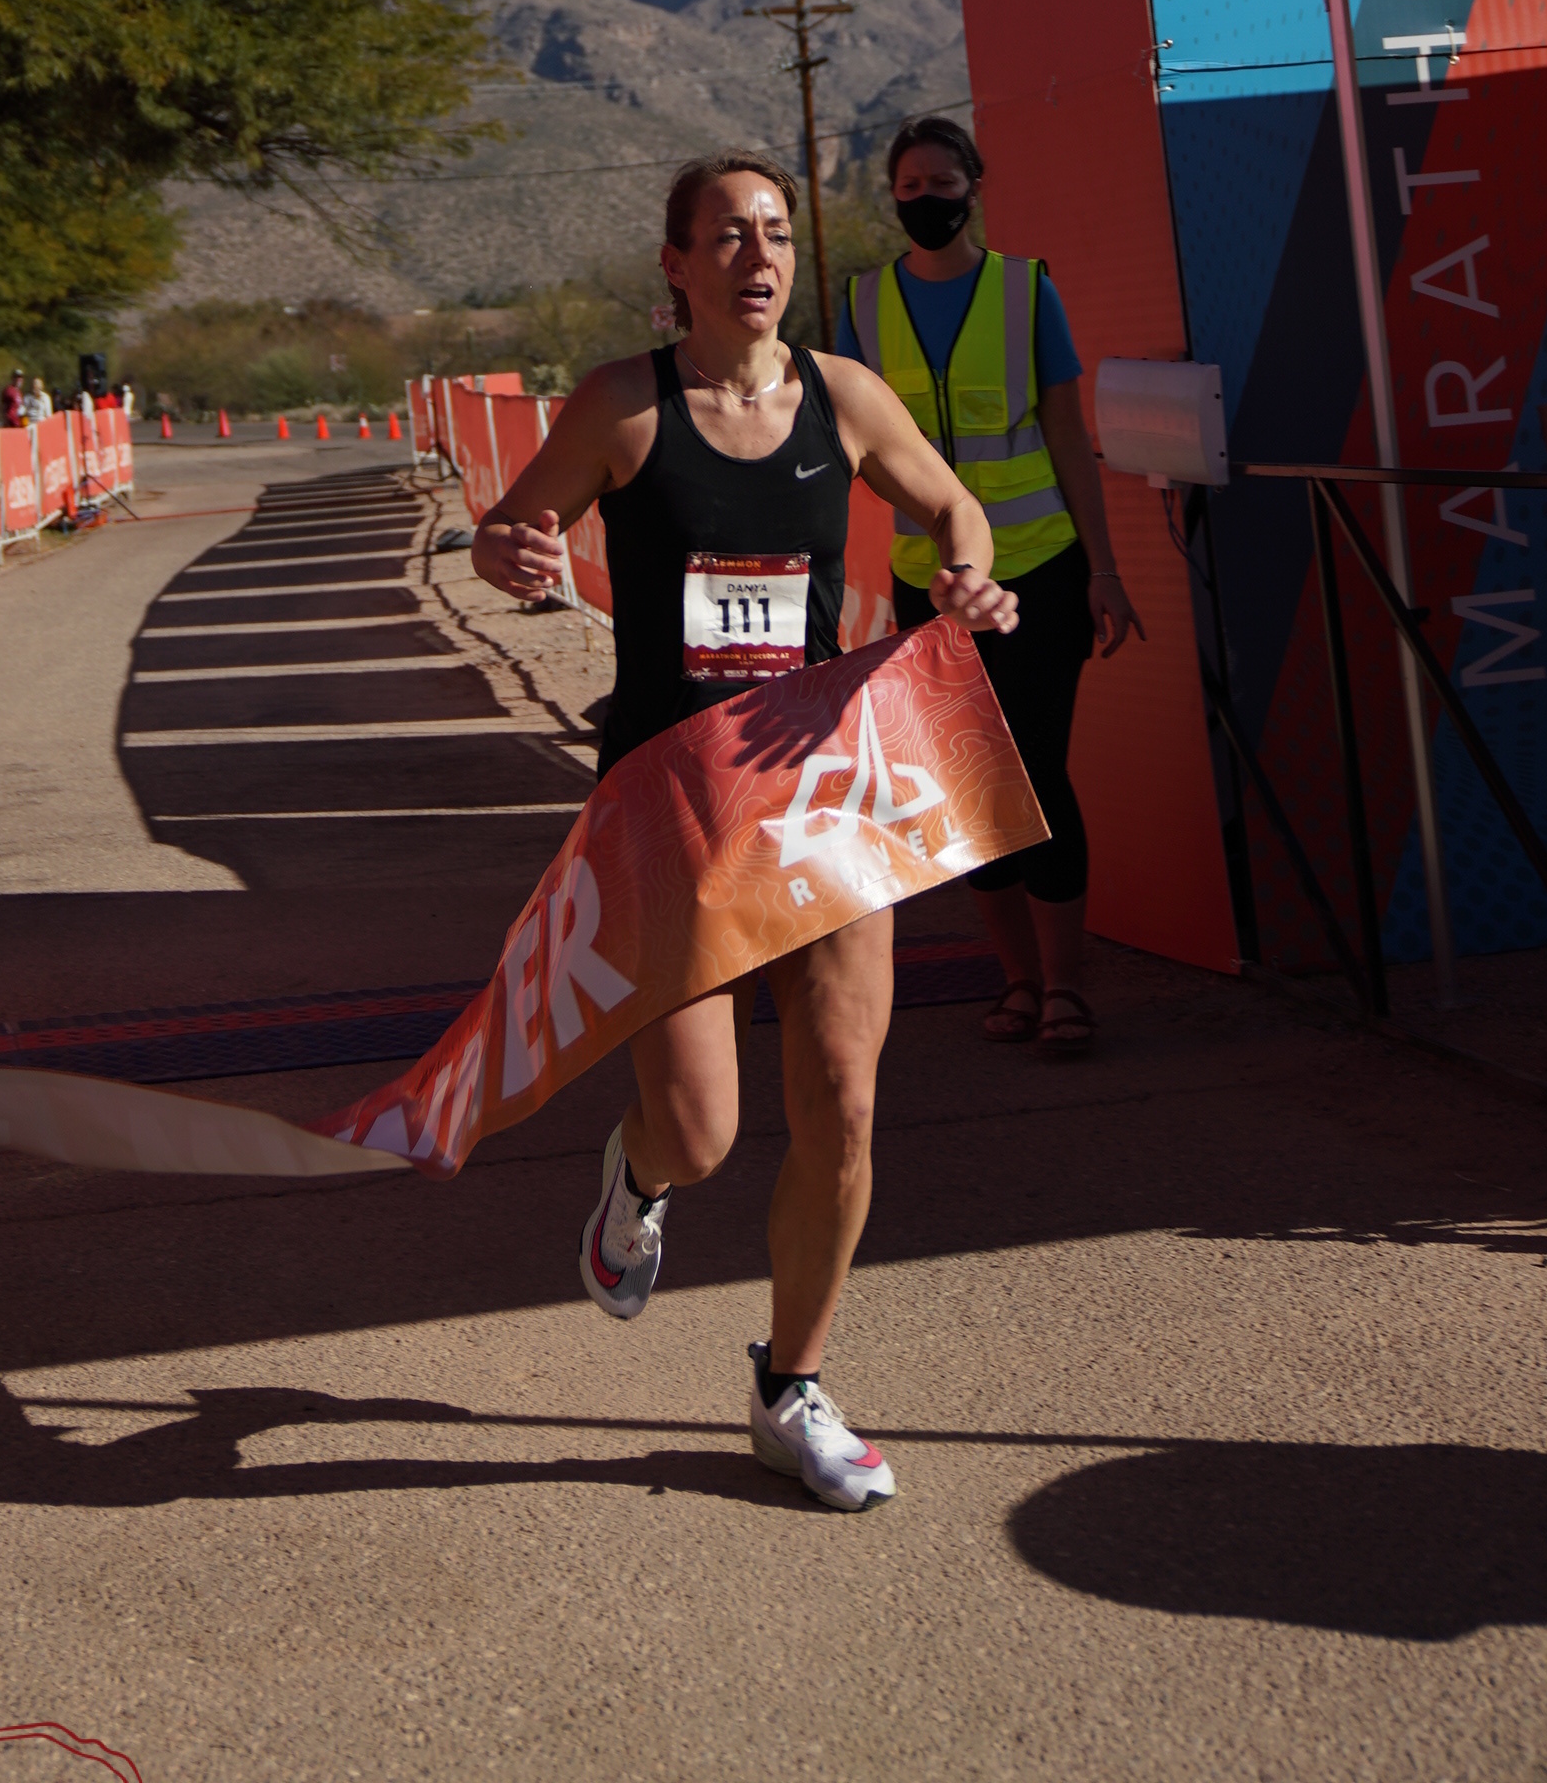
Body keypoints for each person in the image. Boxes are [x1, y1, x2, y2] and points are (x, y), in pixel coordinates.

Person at [471, 149, 1018, 1513]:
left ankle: (792, 1389)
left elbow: (953, 503)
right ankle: (637, 1176)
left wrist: (967, 569)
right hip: (670, 802)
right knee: (702, 1130)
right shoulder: (623, 406)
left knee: (842, 1097)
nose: (757, 255)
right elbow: (510, 527)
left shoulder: (844, 395)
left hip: (823, 792)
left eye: (773, 231)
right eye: (726, 235)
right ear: (677, 266)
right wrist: (513, 551)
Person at [844, 114, 1142, 1060]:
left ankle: (1065, 987)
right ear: (892, 196)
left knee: (1038, 774)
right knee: (970, 790)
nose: (925, 200)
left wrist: (1104, 568)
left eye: (942, 184)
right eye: (910, 187)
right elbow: (846, 447)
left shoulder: (1025, 291)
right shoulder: (862, 303)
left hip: (1040, 571)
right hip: (927, 585)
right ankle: (1016, 980)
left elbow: (1068, 437)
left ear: (974, 187)